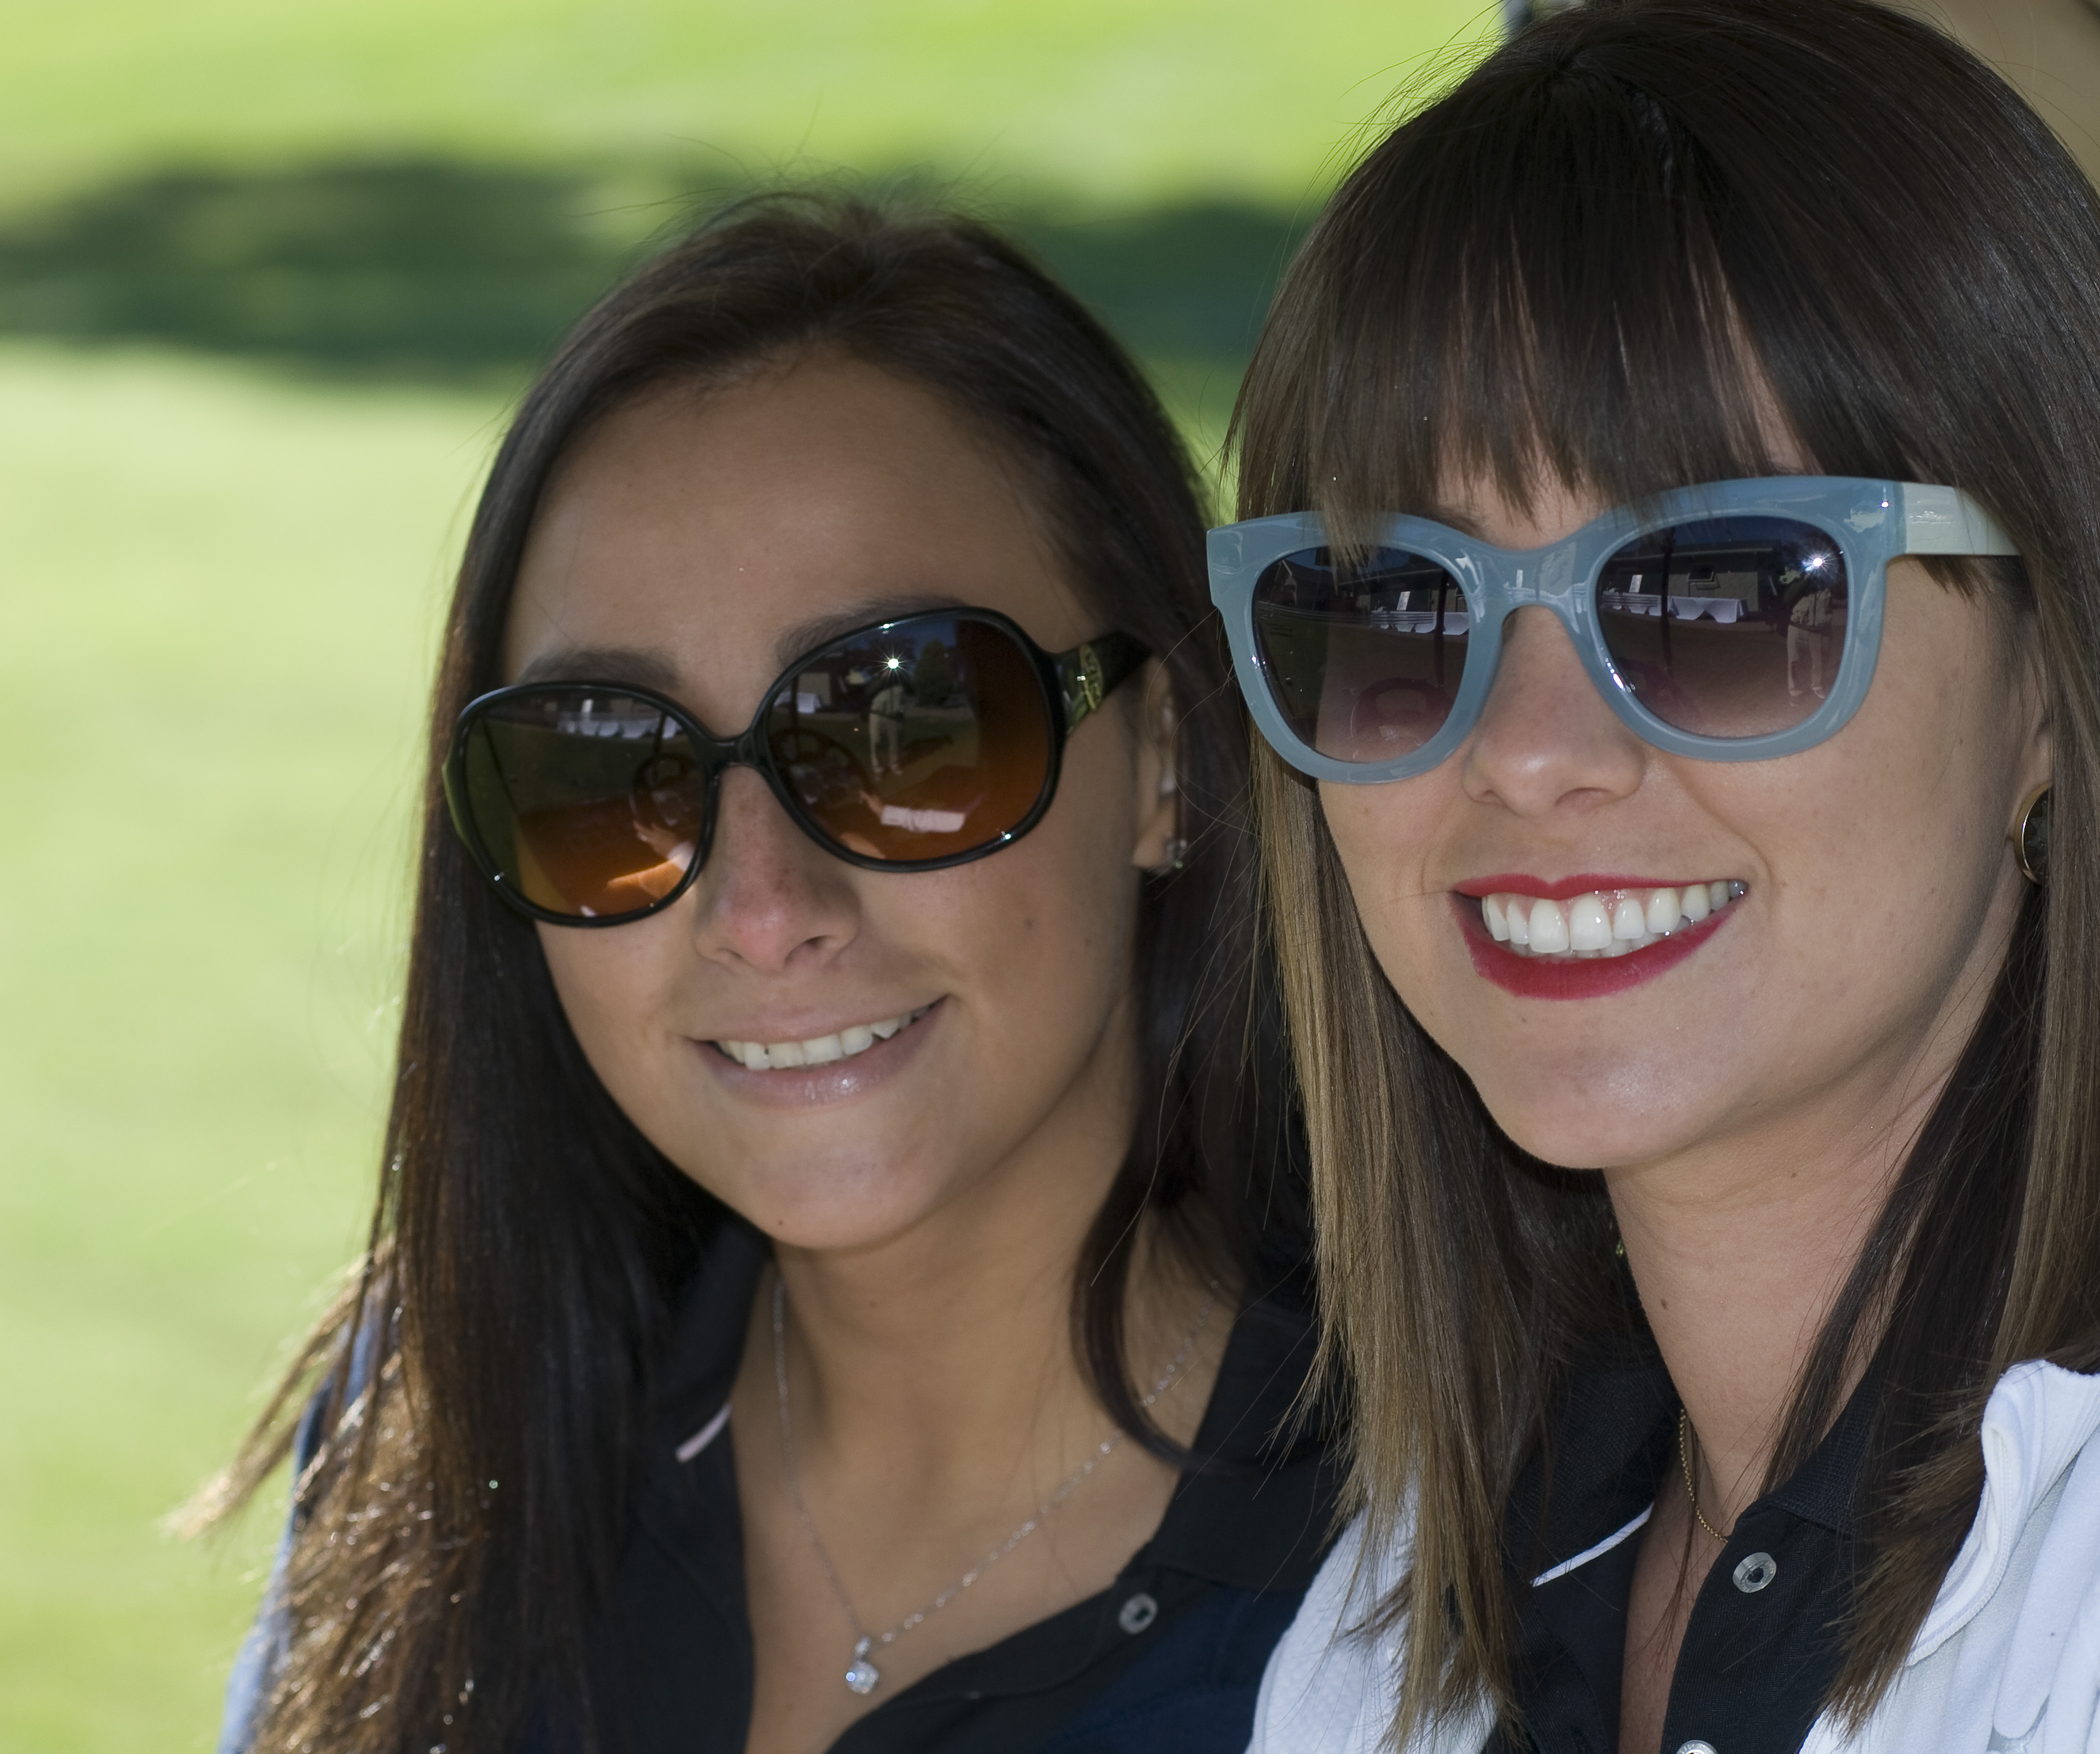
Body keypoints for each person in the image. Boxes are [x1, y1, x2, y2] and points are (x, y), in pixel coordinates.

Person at [1208, 4, 2100, 1751]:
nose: (1529, 750)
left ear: (2055, 675)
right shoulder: (1390, 1634)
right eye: (1398, 612)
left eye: (1725, 597)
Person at [197, 194, 1334, 1754]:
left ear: (1168, 759)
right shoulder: (446, 1426)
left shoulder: (1445, 1570)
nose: (763, 908)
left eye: (905, 729)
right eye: (609, 768)